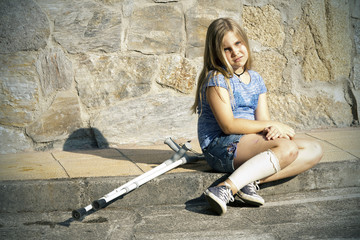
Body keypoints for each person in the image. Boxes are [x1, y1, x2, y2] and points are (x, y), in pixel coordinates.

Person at [191, 18, 323, 215]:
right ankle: (224, 189)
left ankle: (247, 181)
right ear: (216, 53)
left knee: (314, 148)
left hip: (247, 141)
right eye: (227, 49)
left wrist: (273, 128)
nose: (235, 52)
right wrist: (273, 124)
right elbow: (228, 125)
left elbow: (263, 121)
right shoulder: (217, 79)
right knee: (287, 148)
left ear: (245, 42)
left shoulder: (256, 79)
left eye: (238, 43)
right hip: (220, 146)